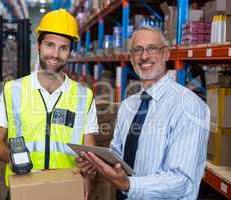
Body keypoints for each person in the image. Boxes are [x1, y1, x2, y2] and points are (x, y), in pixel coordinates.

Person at [77, 26, 210, 200]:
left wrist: (128, 184)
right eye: (137, 50)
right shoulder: (128, 106)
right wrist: (96, 163)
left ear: (166, 54)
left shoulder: (188, 106)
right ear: (131, 59)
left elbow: (182, 180)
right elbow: (118, 154)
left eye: (152, 48)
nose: (144, 56)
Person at [0, 9, 98, 199]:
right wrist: (13, 158)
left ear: (70, 52)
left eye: (63, 48)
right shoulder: (12, 90)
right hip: (23, 185)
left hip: (66, 186)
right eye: (50, 45)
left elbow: (88, 150)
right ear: (38, 45)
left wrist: (88, 174)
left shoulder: (84, 96)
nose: (55, 54)